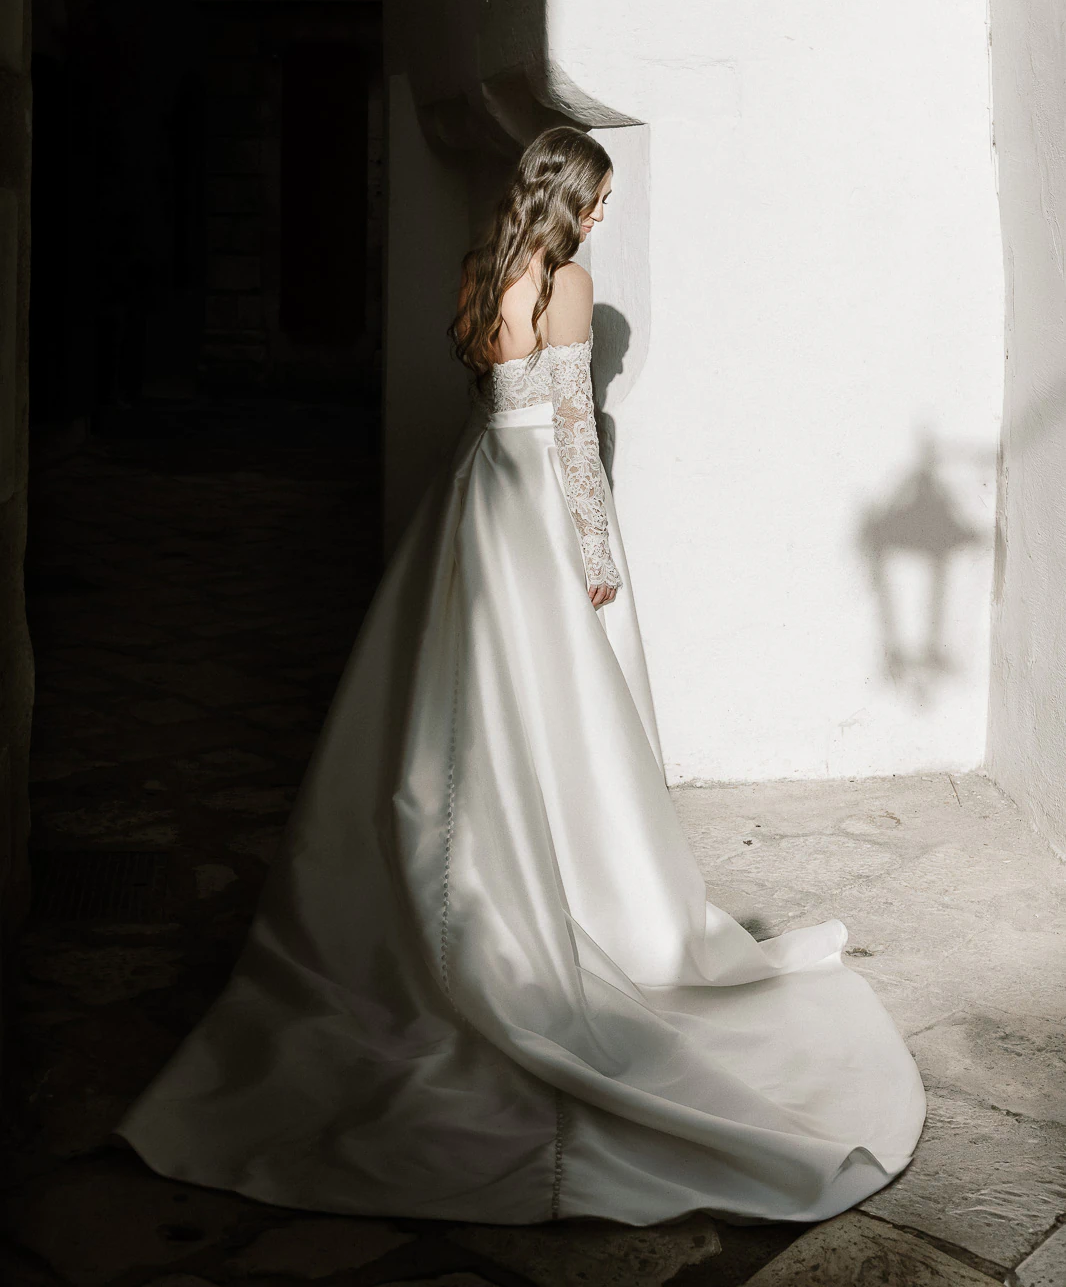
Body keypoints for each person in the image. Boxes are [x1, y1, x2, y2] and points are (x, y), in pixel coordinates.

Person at [117, 126, 926, 1225]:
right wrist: (596, 560)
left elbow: (489, 406)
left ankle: (447, 892)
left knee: (452, 709)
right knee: (551, 712)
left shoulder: (479, 272)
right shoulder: (571, 283)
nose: (602, 219)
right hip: (535, 514)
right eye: (597, 202)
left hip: (470, 504)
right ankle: (563, 902)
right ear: (569, 201)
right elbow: (573, 443)